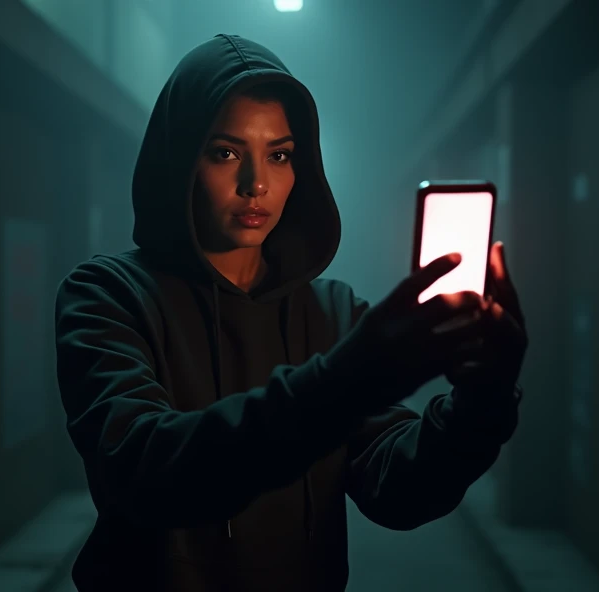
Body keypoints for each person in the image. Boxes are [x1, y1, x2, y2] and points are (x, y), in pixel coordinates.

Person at [54, 34, 528, 592]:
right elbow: (143, 471)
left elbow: (398, 489)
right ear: (180, 157)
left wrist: (482, 400)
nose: (257, 184)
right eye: (225, 152)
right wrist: (350, 377)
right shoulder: (107, 295)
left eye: (279, 155)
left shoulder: (330, 312)